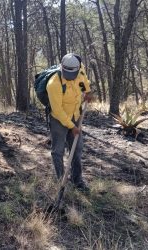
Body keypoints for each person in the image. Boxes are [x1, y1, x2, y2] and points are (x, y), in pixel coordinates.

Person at [46, 53, 93, 191]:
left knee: (77, 149)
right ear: (62, 68)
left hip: (75, 114)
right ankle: (61, 182)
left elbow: (83, 83)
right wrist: (72, 126)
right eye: (67, 74)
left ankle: (77, 180)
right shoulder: (54, 83)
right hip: (58, 119)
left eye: (73, 74)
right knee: (58, 151)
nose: (70, 77)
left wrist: (87, 93)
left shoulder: (80, 71)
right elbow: (58, 110)